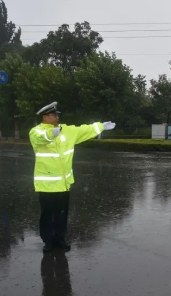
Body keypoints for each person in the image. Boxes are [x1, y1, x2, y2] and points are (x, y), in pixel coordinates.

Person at [30, 102, 115, 252]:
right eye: (53, 115)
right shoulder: (36, 131)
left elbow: (85, 130)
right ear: (45, 117)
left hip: (64, 184)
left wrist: (101, 126)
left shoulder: (67, 131)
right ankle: (48, 242)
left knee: (62, 214)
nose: (57, 117)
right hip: (47, 185)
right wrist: (51, 134)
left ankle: (60, 239)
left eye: (57, 115)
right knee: (48, 215)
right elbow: (39, 138)